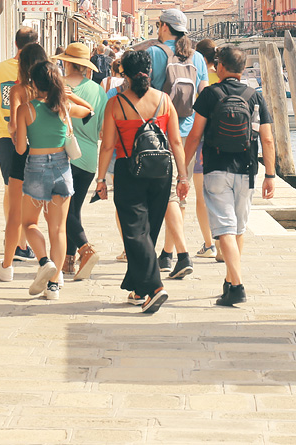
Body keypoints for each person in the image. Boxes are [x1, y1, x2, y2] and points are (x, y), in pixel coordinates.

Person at [96, 49, 189, 315]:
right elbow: (176, 142)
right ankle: (138, 289)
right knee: (147, 231)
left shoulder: (116, 104)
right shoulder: (164, 101)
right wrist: (183, 176)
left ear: (123, 73)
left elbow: (108, 146)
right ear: (149, 71)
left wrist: (100, 179)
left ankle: (155, 287)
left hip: (129, 171)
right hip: (161, 171)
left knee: (135, 232)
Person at [184, 45, 275, 306]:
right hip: (246, 170)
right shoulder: (255, 97)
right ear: (243, 69)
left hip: (216, 168)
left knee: (224, 229)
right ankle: (229, 280)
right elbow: (267, 139)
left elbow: (194, 136)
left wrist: (183, 171)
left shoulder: (210, 94)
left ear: (220, 67)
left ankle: (236, 285)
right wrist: (270, 175)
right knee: (237, 229)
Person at [11, 52, 92, 300]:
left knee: (29, 223)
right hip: (61, 167)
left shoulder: (26, 109)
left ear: (33, 83)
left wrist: (16, 136)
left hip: (36, 167)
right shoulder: (64, 106)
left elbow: (21, 149)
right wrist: (70, 95)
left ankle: (44, 261)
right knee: (58, 229)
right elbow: (89, 110)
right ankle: (54, 285)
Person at [147, 8, 209, 279]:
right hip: (189, 132)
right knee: (180, 193)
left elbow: (145, 92)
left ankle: (171, 254)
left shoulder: (154, 53)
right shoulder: (198, 58)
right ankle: (167, 253)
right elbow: (204, 95)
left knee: (163, 195)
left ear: (163, 27)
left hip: (159, 132)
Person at [0, 26, 39, 276]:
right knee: (28, 191)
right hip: (36, 137)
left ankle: (14, 239)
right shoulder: (41, 69)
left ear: (15, 44)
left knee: (10, 187)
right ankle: (22, 243)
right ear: (36, 43)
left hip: (6, 137)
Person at [57, 42, 106, 281]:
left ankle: (85, 249)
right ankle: (68, 261)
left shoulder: (58, 86)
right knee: (73, 209)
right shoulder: (98, 91)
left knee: (63, 209)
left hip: (61, 153)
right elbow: (101, 129)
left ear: (67, 62)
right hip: (87, 157)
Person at [191, 38, 221, 258]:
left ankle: (209, 244)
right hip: (224, 142)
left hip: (201, 140)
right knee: (221, 196)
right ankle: (222, 242)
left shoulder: (197, 78)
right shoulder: (222, 77)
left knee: (201, 196)